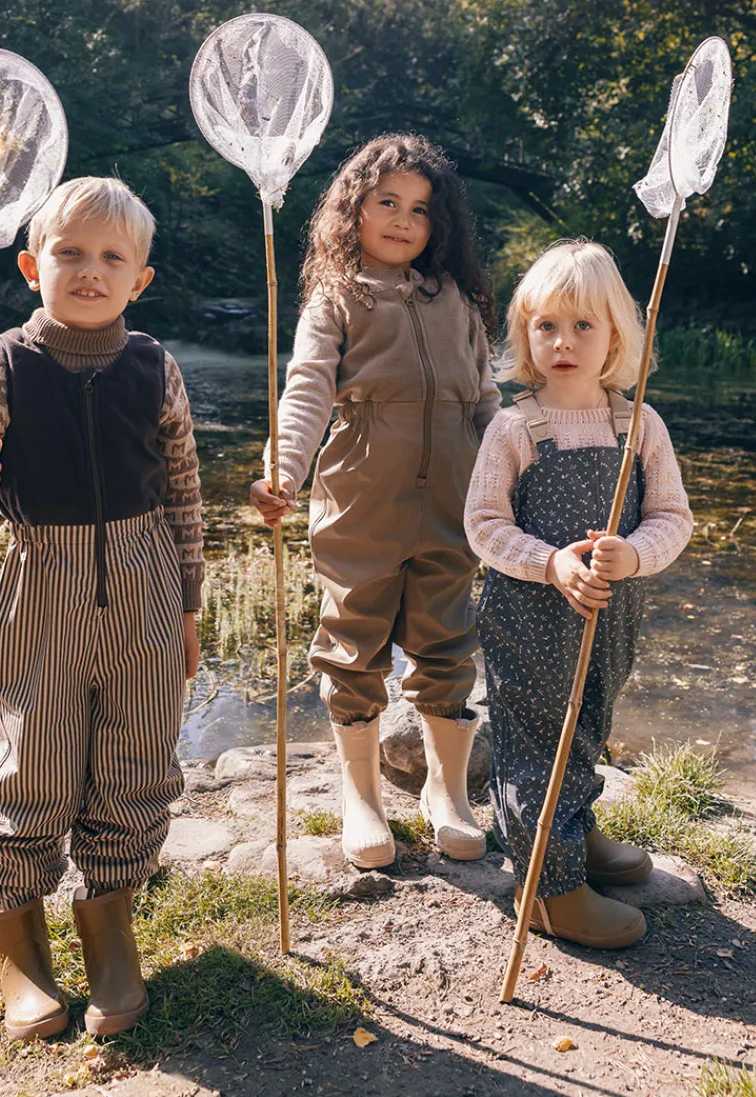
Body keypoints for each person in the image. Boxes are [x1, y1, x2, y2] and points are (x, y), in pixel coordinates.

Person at [0, 177, 204, 1039]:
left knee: (138, 757)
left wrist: (188, 607)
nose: (90, 271)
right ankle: (18, 940)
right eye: (70, 253)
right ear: (31, 266)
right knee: (32, 764)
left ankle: (110, 925)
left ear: (139, 280)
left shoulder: (155, 366)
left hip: (148, 582)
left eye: (112, 258)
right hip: (43, 583)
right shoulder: (0, 364)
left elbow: (184, 492)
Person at [251, 134, 501, 868]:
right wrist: (284, 470)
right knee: (352, 640)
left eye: (420, 209)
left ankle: (446, 793)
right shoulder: (338, 297)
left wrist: (509, 478)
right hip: (361, 495)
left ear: (438, 224)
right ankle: (361, 796)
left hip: (453, 498)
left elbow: (487, 401)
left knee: (447, 639)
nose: (402, 219)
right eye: (387, 201)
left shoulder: (456, 300)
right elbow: (307, 390)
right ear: (353, 208)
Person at [465, 239, 693, 948]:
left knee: (588, 725)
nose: (563, 342)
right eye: (547, 326)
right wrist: (550, 562)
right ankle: (549, 888)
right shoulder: (516, 426)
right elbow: (484, 524)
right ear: (526, 335)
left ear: (616, 336)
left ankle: (574, 831)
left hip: (610, 615)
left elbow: (673, 518)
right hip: (528, 617)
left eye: (583, 326)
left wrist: (634, 554)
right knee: (537, 741)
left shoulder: (638, 423)